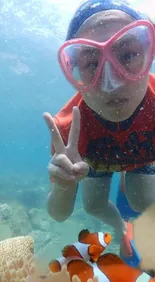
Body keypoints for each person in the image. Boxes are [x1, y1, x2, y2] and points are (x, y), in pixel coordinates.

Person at [43, 0, 155, 257]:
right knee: (94, 206)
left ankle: (130, 183)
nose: (111, 82)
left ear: (149, 55)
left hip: (139, 156)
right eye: (92, 64)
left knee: (143, 201)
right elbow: (59, 214)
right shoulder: (68, 130)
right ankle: (121, 227)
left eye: (127, 55)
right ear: (74, 70)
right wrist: (63, 186)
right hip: (97, 160)